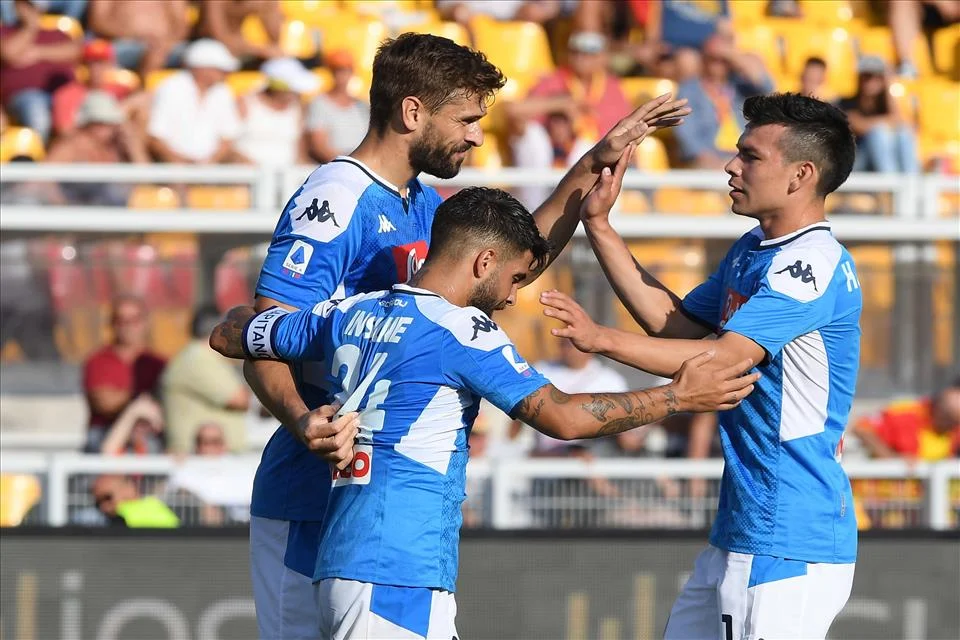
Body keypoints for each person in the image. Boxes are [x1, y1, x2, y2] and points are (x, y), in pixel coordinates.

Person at [241, 31, 690, 640]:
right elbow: (262, 336)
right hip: (310, 493)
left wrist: (595, 162)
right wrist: (301, 421)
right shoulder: (337, 197)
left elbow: (503, 258)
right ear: (413, 112)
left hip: (379, 508)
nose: (478, 136)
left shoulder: (421, 204)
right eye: (467, 119)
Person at [210, 186, 758, 639]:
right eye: (516, 278)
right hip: (397, 568)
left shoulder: (349, 311)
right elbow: (563, 418)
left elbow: (231, 331)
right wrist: (677, 397)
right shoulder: (461, 330)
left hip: (350, 562)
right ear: (484, 261)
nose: (513, 298)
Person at [540, 93, 862, 639]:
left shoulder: (810, 264)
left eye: (750, 156)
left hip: (788, 537)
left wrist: (600, 339)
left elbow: (722, 359)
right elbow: (677, 328)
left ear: (800, 175)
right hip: (743, 530)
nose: (731, 166)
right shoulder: (754, 249)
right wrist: (599, 225)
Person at [82, 295, 166, 454]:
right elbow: (105, 403)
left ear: (145, 322)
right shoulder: (98, 361)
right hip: (106, 435)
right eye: (121, 320)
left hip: (147, 437)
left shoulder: (158, 363)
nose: (128, 326)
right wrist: (140, 405)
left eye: (134, 320)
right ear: (112, 324)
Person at [161, 306, 250, 454]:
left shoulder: (200, 357)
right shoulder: (198, 358)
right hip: (199, 459)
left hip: (214, 459)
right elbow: (240, 399)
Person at [147, 39, 243, 164]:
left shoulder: (222, 91)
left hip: (209, 166)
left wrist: (210, 162)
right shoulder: (172, 87)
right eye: (220, 69)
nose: (226, 74)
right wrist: (180, 163)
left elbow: (228, 136)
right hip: (173, 165)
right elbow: (156, 137)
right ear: (202, 69)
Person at [0, 0, 80, 143]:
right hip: (26, 96)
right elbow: (8, 52)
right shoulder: (5, 32)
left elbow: (76, 51)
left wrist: (38, 52)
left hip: (62, 93)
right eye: (23, 4)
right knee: (38, 113)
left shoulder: (57, 33)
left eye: (30, 5)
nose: (26, 9)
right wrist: (30, 27)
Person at [840, 56, 919, 174]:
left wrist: (888, 85)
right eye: (867, 76)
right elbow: (860, 125)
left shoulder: (886, 105)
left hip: (876, 159)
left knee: (903, 134)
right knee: (878, 134)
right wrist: (887, 122)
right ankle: (890, 181)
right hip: (859, 160)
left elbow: (900, 121)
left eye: (878, 77)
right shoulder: (847, 103)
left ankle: (911, 179)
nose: (871, 81)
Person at [234, 57, 317, 167]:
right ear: (277, 86)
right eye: (292, 89)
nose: (296, 93)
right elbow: (228, 146)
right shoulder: (244, 103)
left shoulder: (299, 108)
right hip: (245, 174)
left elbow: (300, 154)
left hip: (287, 174)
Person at [853, 377, 960, 460]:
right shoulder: (906, 412)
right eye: (949, 418)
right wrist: (892, 459)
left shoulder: (955, 429)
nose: (953, 426)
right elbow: (862, 428)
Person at [306, 50, 369, 163]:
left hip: (359, 164)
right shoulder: (319, 103)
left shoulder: (362, 106)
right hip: (336, 165)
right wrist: (346, 164)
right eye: (338, 70)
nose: (342, 75)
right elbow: (319, 146)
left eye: (346, 70)